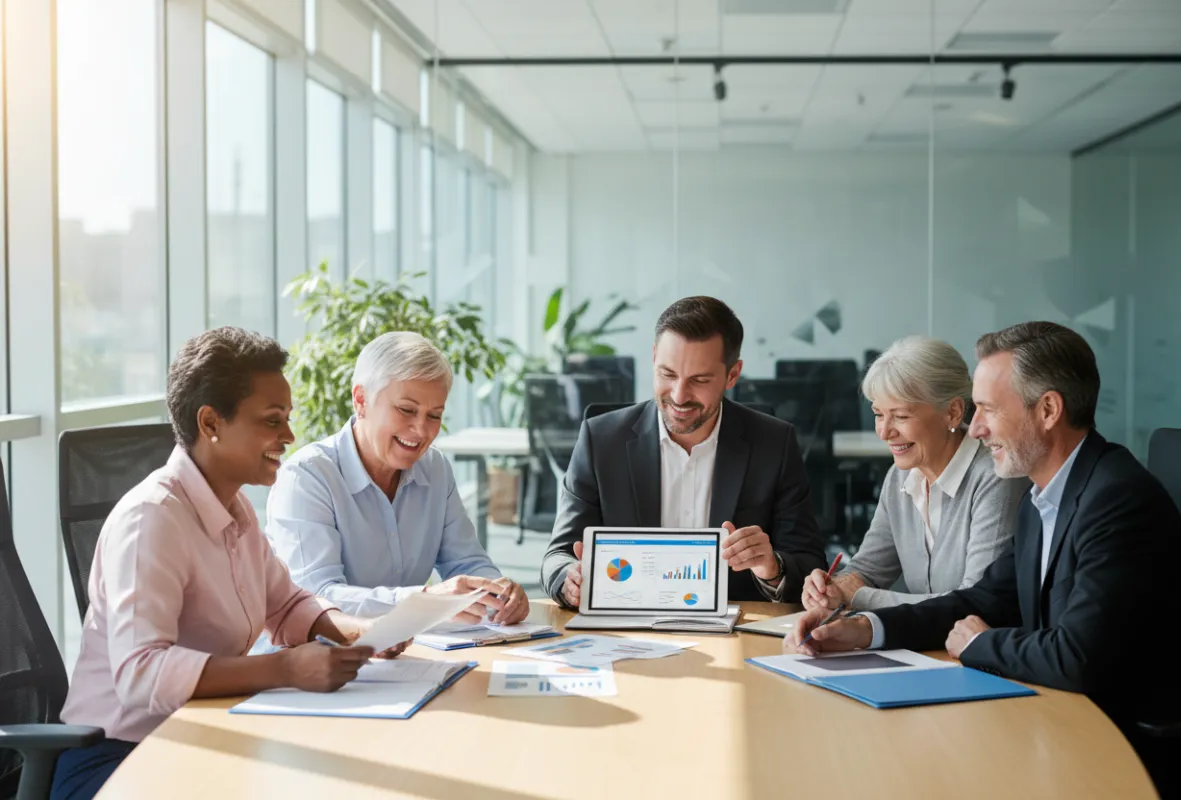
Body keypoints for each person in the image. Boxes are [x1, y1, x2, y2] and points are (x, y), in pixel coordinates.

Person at [784, 321, 1181, 797]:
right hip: (1054, 716)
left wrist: (982, 644)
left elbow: (1076, 657)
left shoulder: (1115, 498)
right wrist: (865, 630)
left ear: (1047, 409)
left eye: (987, 409)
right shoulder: (1046, 497)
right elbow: (985, 597)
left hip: (1120, 749)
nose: (975, 428)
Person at [53, 328, 410, 800]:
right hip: (119, 760)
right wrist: (284, 669)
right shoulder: (153, 520)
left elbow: (284, 607)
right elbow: (142, 674)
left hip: (204, 735)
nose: (288, 435)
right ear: (210, 423)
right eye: (271, 420)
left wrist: (357, 632)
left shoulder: (234, 508)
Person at [541, 296, 826, 607]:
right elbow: (558, 556)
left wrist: (772, 568)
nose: (678, 395)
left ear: (732, 375)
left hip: (736, 633)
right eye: (668, 374)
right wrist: (570, 579)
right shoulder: (601, 440)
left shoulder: (774, 444)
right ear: (653, 358)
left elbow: (810, 565)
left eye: (699, 380)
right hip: (628, 627)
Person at [266, 331, 528, 625]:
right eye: (406, 410)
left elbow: (466, 562)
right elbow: (316, 597)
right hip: (316, 660)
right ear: (361, 400)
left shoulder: (435, 469)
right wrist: (425, 601)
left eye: (434, 415)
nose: (421, 430)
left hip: (405, 655)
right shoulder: (307, 477)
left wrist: (498, 593)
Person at [802, 336, 1028, 612]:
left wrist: (857, 596)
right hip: (925, 649)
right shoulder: (901, 476)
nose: (884, 432)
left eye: (900, 416)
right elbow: (868, 570)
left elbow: (976, 604)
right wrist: (829, 588)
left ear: (953, 412)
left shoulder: (995, 477)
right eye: (878, 414)